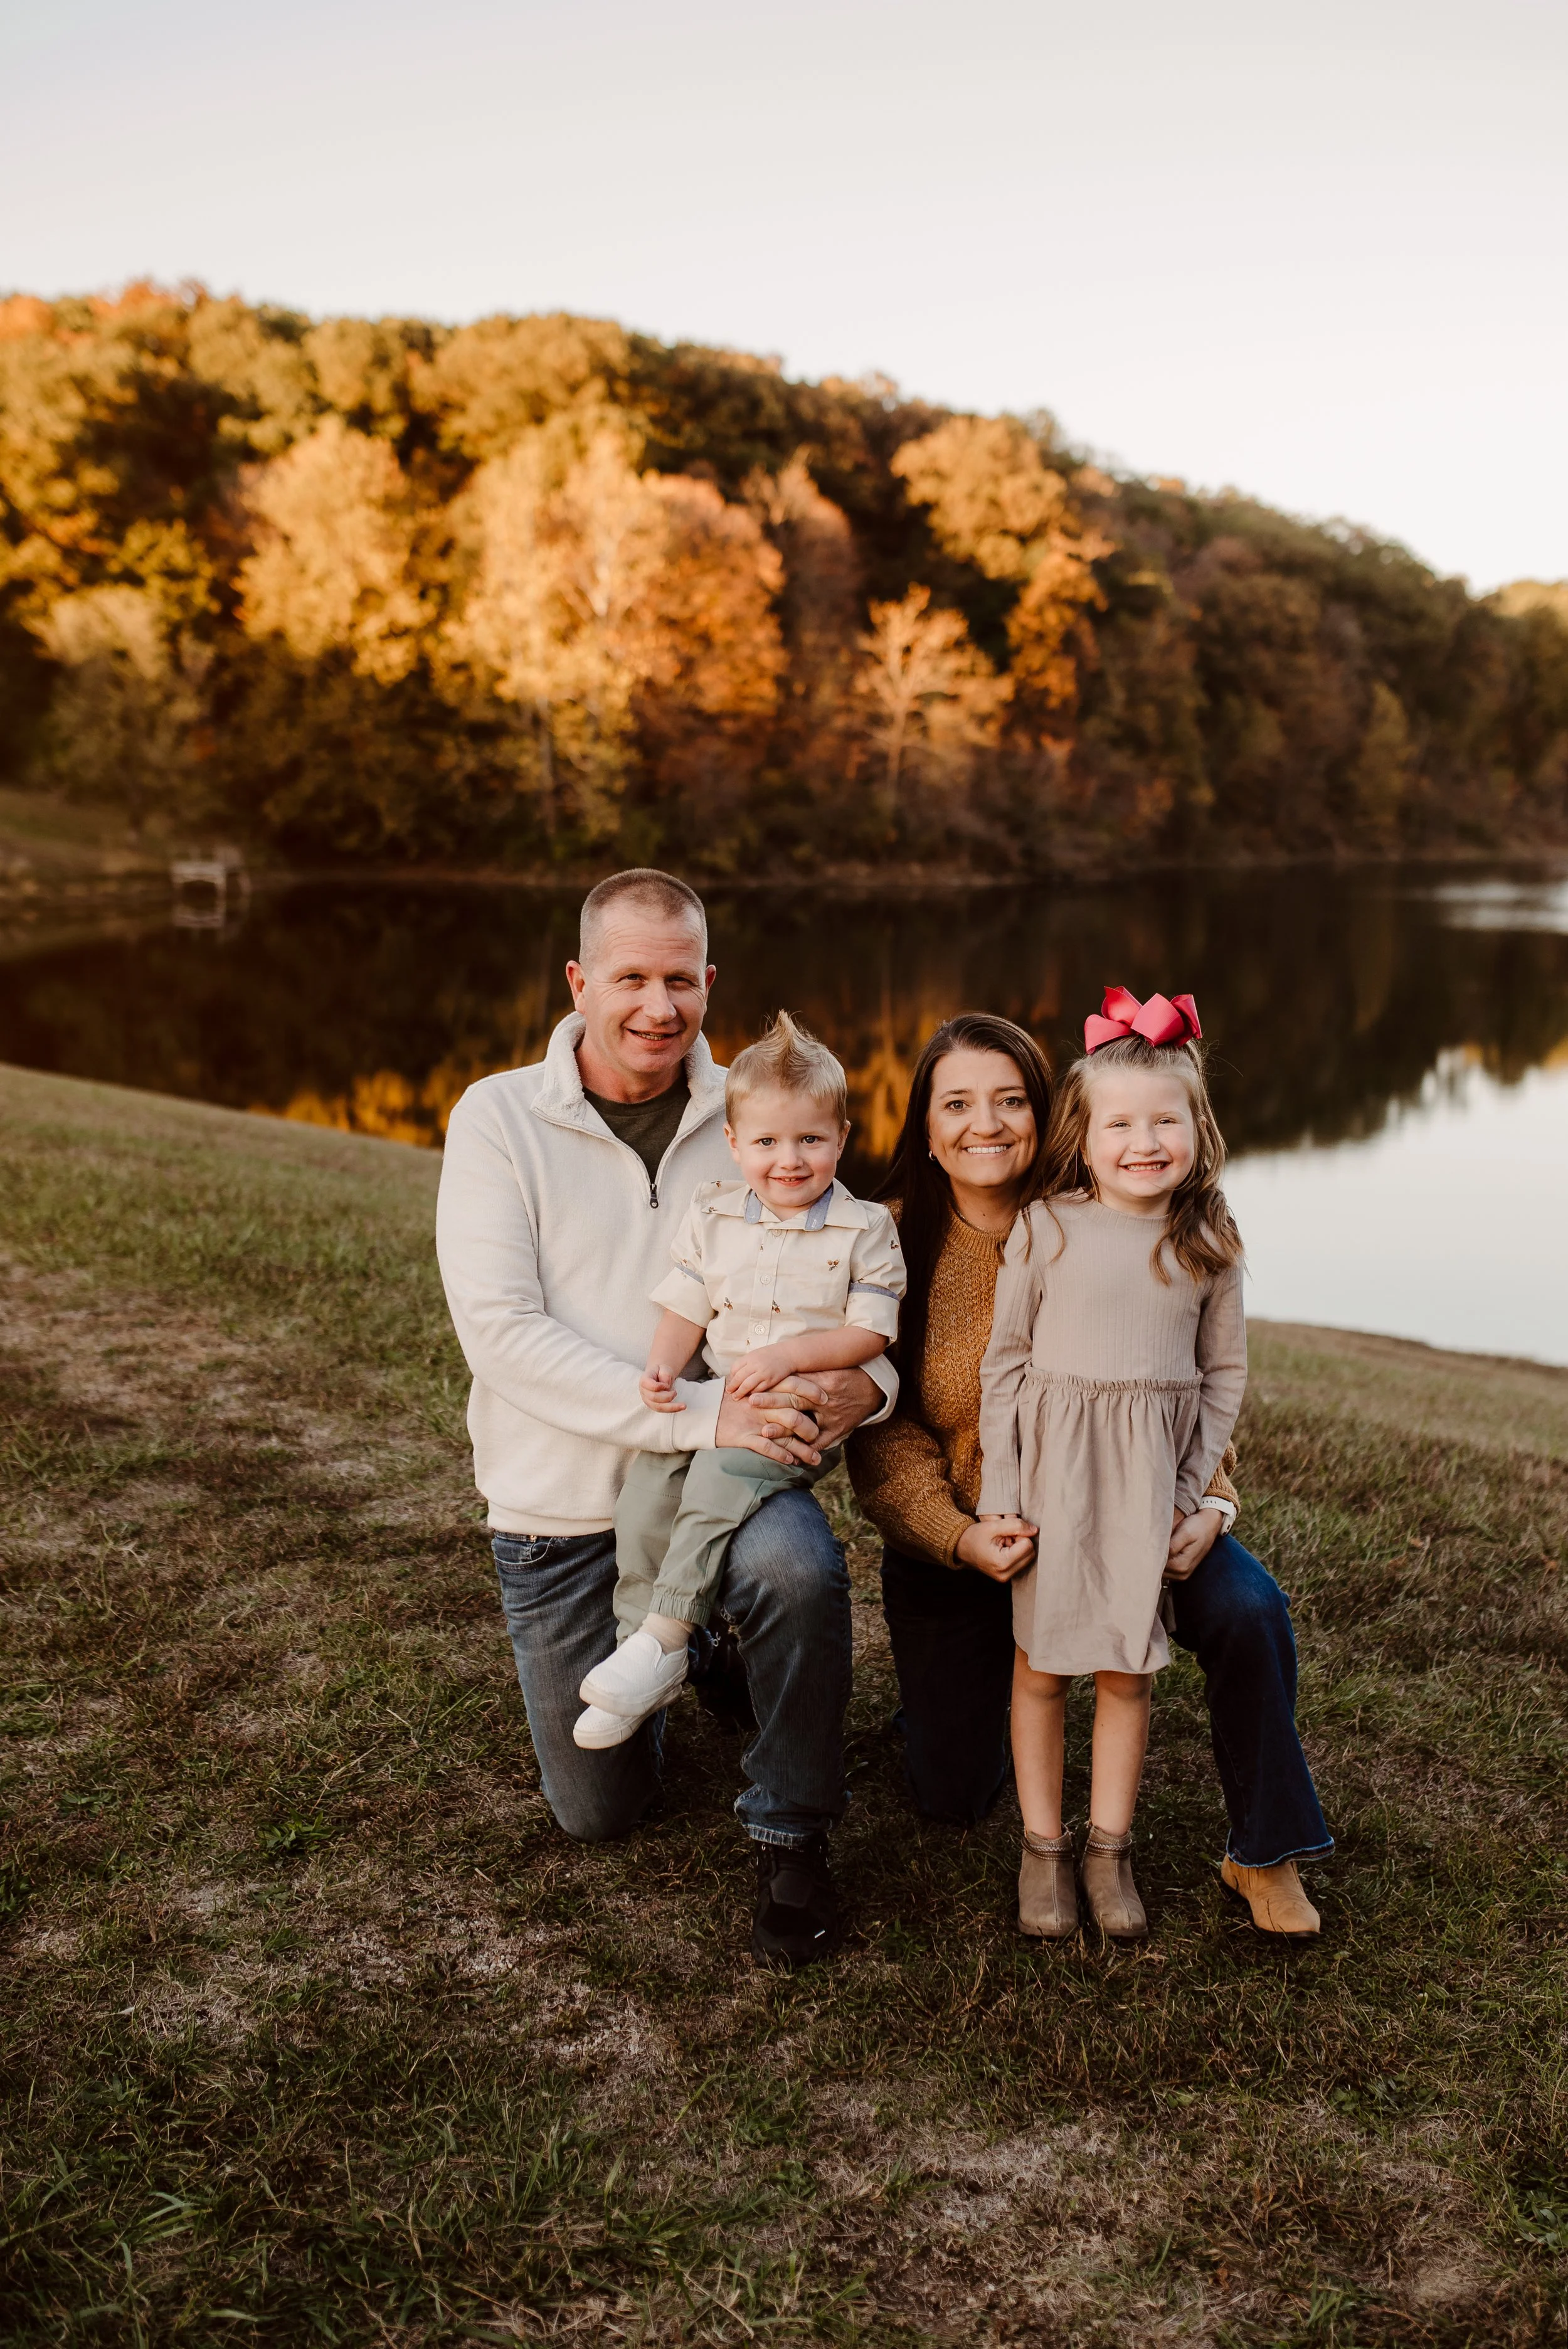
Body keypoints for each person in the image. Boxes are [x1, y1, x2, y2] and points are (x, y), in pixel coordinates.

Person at [435, 871, 894, 1969]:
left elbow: (858, 1294)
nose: (656, 1006)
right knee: (598, 1811)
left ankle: (792, 1831)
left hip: (725, 1477)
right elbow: (500, 1333)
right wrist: (704, 1417)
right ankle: (699, 1654)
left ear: (709, 982)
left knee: (798, 1572)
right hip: (561, 1501)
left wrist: (865, 1393)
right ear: (579, 980)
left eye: (679, 979)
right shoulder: (500, 1116)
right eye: (630, 978)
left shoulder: (761, 1115)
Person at [848, 1010, 1332, 1940]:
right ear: (926, 1121)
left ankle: (1264, 1851)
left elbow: (1184, 1375)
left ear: (1046, 1114)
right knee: (952, 1787)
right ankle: (1025, 1814)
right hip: (977, 1528)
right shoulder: (893, 1239)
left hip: (1142, 1507)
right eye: (957, 1104)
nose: (984, 1124)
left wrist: (1211, 1499)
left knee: (1245, 1609)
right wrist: (960, 1530)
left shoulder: (1124, 1199)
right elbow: (883, 1430)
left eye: (1007, 1101)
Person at [975, 990, 1247, 1943]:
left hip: (1145, 1487)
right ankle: (1043, 1848)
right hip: (1050, 1480)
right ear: (1083, 1138)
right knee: (1043, 1666)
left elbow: (1223, 1376)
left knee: (1127, 1672)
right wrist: (999, 1491)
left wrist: (1191, 1491)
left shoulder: (1208, 1243)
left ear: (1197, 1128)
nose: (1144, 1141)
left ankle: (1108, 1847)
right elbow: (1004, 1365)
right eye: (1120, 1123)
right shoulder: (1047, 1228)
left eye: (1164, 1120)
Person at [574, 1012, 904, 1749]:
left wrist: (793, 1358)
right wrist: (663, 1367)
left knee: (716, 1486)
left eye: (811, 1140)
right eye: (766, 1142)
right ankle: (639, 1646)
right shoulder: (714, 1213)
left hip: (796, 1408)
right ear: (734, 1144)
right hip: (716, 1395)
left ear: (841, 1138)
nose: (789, 1160)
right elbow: (686, 1304)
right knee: (647, 1493)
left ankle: (668, 1630)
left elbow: (872, 1331)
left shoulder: (865, 1227)